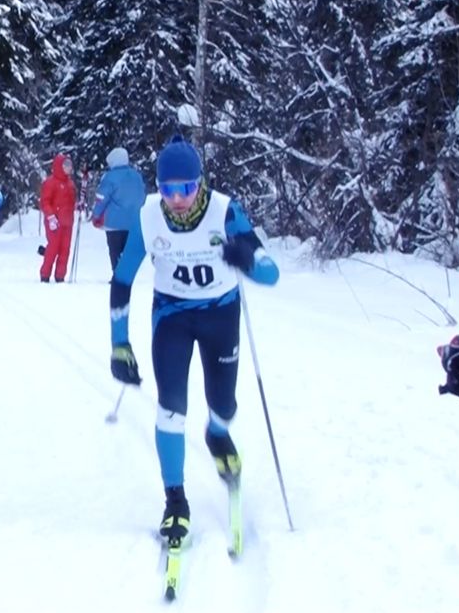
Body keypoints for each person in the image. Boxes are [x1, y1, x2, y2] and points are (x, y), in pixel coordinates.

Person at [105, 134, 280, 544]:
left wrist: (247, 260)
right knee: (171, 407)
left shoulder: (224, 211)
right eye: (168, 189)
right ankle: (175, 501)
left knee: (224, 404)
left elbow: (270, 272)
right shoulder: (149, 217)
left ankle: (217, 434)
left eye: (185, 188)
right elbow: (123, 279)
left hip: (220, 314)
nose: (177, 199)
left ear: (200, 184)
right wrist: (119, 343)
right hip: (173, 316)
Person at [90, 147, 146, 274]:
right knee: (127, 250)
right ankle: (126, 273)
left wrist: (96, 215)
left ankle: (117, 274)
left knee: (115, 249)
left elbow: (101, 198)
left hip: (113, 221)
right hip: (133, 221)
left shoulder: (110, 177)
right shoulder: (136, 176)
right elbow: (142, 197)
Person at [39, 153, 77, 282]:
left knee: (65, 249)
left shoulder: (70, 184)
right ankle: (45, 274)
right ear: (59, 166)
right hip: (54, 221)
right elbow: (45, 201)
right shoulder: (51, 182)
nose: (69, 168)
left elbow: (72, 201)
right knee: (53, 248)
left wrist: (79, 205)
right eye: (66, 165)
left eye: (69, 165)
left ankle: (60, 275)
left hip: (67, 222)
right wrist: (50, 217)